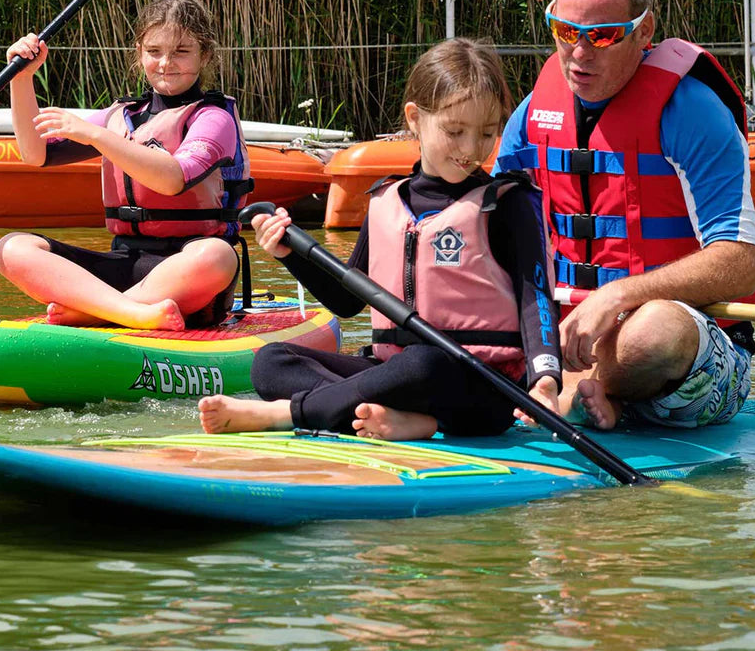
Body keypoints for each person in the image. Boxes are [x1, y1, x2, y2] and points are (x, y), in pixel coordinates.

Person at [198, 38, 562, 441]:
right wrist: (289, 253)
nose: (471, 149)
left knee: (424, 364)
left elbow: (537, 300)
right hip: (394, 377)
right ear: (414, 118)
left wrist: (546, 377)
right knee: (271, 360)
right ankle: (396, 419)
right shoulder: (387, 199)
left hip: (481, 386)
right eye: (455, 131)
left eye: (486, 133)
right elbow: (348, 300)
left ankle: (291, 413)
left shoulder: (506, 205)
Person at [493, 0, 755, 431]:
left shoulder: (694, 114)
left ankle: (581, 391)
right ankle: (587, 394)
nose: (579, 52)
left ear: (645, 30)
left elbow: (740, 265)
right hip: (557, 346)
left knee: (653, 330)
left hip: (682, 361)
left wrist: (615, 297)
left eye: (603, 36)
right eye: (565, 31)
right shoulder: (534, 113)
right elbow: (486, 225)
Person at [0, 0, 252, 330]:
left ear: (205, 56)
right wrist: (21, 79)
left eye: (181, 52)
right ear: (139, 54)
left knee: (218, 256)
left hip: (186, 272)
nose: (165, 63)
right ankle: (129, 312)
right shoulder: (124, 116)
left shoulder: (213, 118)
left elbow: (173, 179)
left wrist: (95, 136)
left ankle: (96, 312)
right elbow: (35, 153)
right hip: (125, 264)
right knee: (13, 248)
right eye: (154, 52)